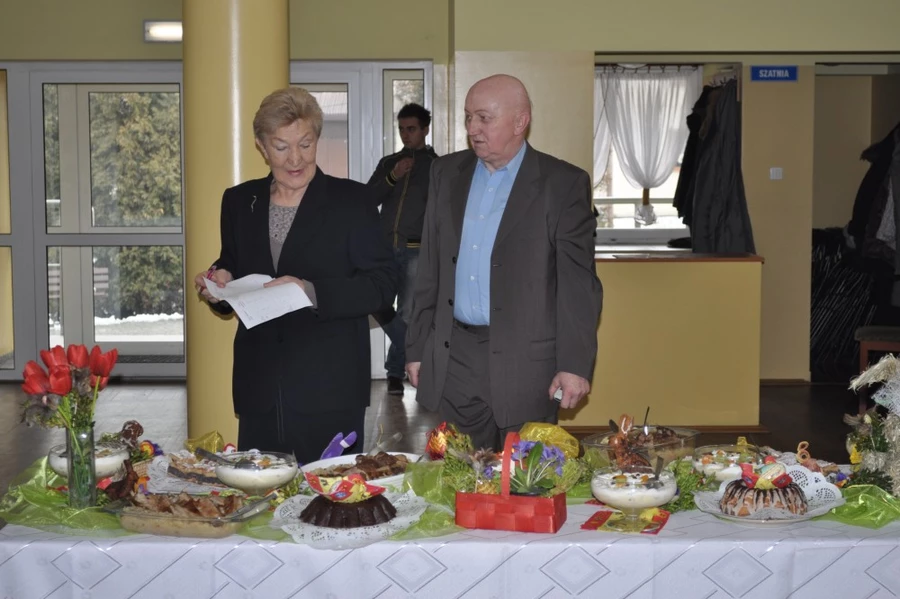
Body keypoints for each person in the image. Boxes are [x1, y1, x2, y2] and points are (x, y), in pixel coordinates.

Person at [194, 87, 398, 465]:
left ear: (317, 139)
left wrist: (310, 291)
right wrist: (220, 280)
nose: (295, 158)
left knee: (327, 493)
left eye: (305, 144)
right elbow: (232, 263)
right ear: (261, 146)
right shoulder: (239, 201)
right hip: (259, 386)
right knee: (259, 491)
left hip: (329, 386)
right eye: (281, 146)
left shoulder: (352, 202)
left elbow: (383, 286)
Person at [405, 74, 603, 451]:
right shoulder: (445, 173)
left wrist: (574, 364)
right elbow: (430, 268)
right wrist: (416, 348)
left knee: (524, 475)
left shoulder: (562, 183)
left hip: (527, 360)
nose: (472, 129)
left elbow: (578, 285)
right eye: (468, 117)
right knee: (460, 473)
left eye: (484, 118)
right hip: (456, 355)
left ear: (519, 121)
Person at [367, 103, 439, 395]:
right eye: (401, 129)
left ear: (425, 130)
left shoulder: (437, 166)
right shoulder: (389, 163)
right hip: (383, 250)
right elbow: (367, 199)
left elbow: (442, 212)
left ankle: (395, 373)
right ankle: (416, 355)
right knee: (376, 304)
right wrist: (392, 176)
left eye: (411, 129)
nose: (405, 134)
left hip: (416, 250)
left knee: (408, 313)